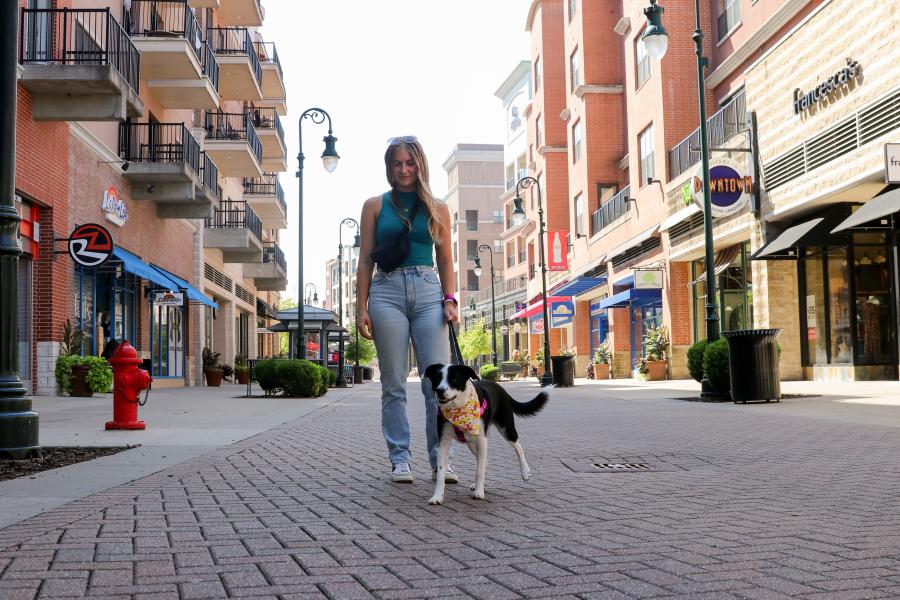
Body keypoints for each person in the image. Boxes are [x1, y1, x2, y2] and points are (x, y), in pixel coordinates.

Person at [357, 136, 459, 484]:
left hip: (429, 290)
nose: (404, 169)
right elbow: (364, 261)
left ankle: (440, 460)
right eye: (397, 163)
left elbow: (445, 260)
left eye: (409, 163)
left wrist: (450, 299)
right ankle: (400, 459)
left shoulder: (438, 208)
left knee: (437, 384)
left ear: (420, 165)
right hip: (386, 292)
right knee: (394, 383)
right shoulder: (374, 205)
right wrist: (361, 308)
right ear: (389, 167)